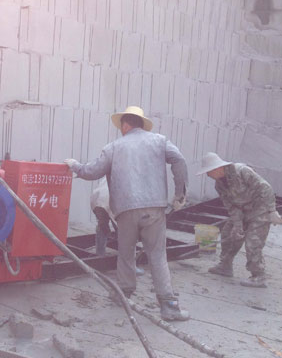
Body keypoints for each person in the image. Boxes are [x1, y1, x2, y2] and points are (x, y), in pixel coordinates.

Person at [64, 106, 189, 321]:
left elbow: (92, 171)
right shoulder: (160, 141)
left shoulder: (114, 147)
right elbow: (179, 160)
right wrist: (180, 194)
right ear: (142, 124)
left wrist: (75, 165)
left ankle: (123, 295)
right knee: (157, 255)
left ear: (125, 125)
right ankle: (169, 306)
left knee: (125, 252)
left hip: (125, 210)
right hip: (154, 208)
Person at [197, 152, 282, 288]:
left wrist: (272, 210)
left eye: (208, 171)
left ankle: (258, 275)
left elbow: (265, 188)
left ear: (217, 168)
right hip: (242, 211)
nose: (208, 175)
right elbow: (231, 206)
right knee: (228, 234)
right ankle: (225, 266)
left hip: (259, 208)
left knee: (253, 241)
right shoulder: (219, 185)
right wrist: (237, 225)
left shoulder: (242, 171)